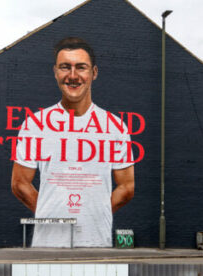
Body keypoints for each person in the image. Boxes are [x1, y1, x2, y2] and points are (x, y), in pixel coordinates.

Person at [11, 37, 135, 247]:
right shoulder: (35, 124)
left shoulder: (115, 127)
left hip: (97, 242)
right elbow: (19, 183)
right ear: (56, 72)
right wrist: (51, 213)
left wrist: (94, 213)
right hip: (46, 244)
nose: (73, 75)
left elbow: (127, 186)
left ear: (93, 73)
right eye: (65, 67)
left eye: (81, 67)